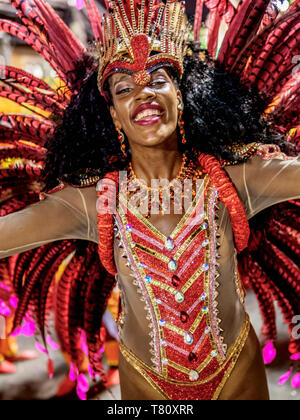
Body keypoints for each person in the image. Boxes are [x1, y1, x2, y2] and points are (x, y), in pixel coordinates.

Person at [0, 0, 299, 400]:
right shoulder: (94, 202)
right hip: (146, 386)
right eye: (124, 88)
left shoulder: (235, 177)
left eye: (159, 79)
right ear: (113, 114)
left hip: (237, 376)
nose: (144, 94)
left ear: (182, 93)